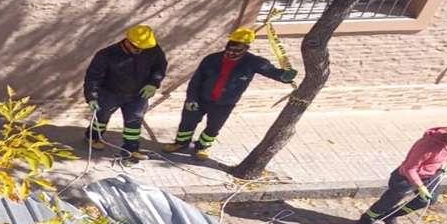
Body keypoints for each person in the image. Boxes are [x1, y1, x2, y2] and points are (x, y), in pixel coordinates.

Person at [163, 27, 297, 159]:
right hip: (201, 98)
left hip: (224, 103)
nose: (232, 53)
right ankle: (181, 143)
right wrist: (191, 99)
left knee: (213, 127)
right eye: (230, 49)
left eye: (237, 50)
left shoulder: (254, 62)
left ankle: (202, 147)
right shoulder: (211, 59)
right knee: (187, 122)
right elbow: (196, 81)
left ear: (246, 48)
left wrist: (283, 76)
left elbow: (270, 71)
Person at [357, 123, 447, 224]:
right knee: (389, 200)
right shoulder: (426, 146)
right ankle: (366, 220)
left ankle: (390, 215)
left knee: (426, 200)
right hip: (406, 177)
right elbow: (409, 169)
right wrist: (420, 186)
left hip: (429, 176)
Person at [83, 25, 168, 161]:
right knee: (101, 117)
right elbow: (93, 76)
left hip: (138, 94)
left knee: (134, 121)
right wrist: (92, 97)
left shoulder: (152, 50)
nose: (141, 51)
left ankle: (131, 149)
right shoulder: (106, 55)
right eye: (137, 48)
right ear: (128, 42)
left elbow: (160, 67)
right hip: (110, 93)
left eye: (144, 48)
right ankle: (93, 137)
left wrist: (153, 83)